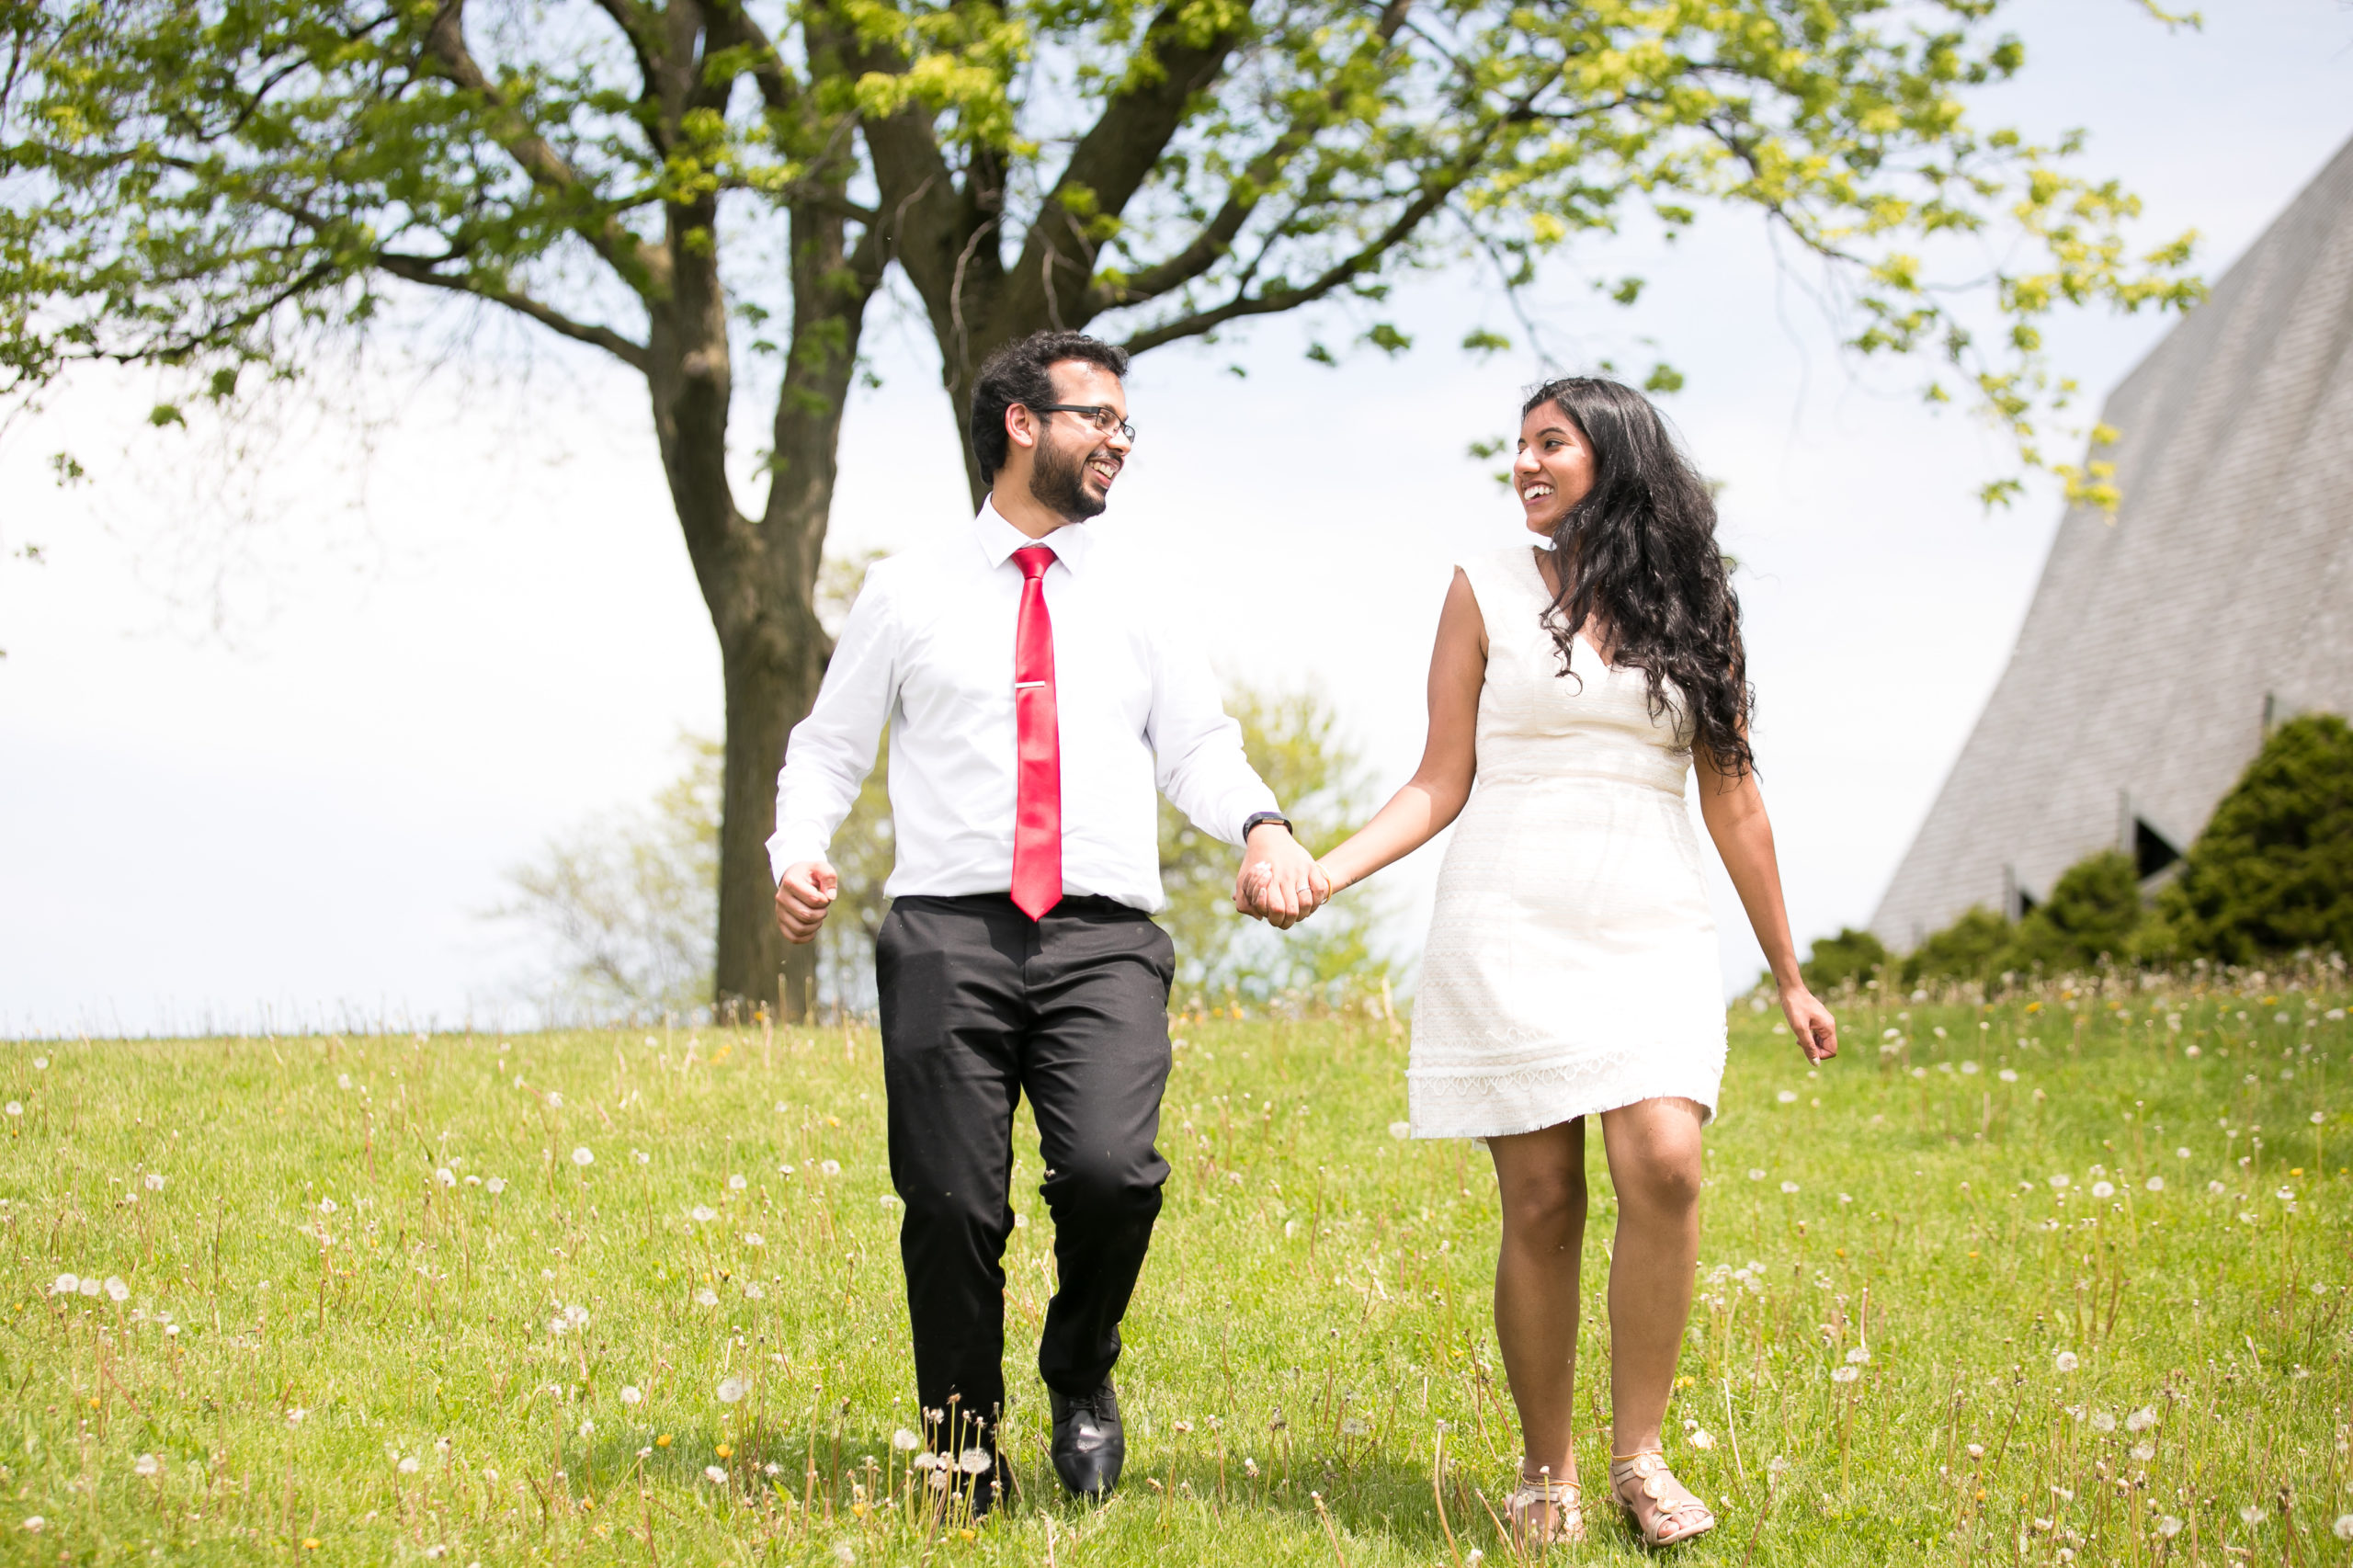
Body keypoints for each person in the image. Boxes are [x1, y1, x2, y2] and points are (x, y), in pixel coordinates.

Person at [767, 329, 1326, 1519]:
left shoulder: (1141, 592)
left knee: (1114, 1175)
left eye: (1128, 423)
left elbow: (1197, 746)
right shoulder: (906, 587)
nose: (1120, 438)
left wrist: (1262, 824)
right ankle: (963, 1440)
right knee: (953, 1204)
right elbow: (825, 746)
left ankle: (1080, 1369)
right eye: (1099, 417)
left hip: (1103, 937)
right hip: (946, 935)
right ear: (1023, 421)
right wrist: (795, 848)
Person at [1309, 377, 1837, 1549]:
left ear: (1616, 455)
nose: (1525, 463)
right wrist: (1326, 871)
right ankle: (1544, 1470)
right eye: (1519, 445)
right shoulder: (1482, 585)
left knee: (1667, 1162)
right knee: (1542, 1200)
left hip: (1648, 916)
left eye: (1551, 442)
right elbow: (1438, 778)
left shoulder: (1697, 604)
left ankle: (1638, 1456)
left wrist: (1789, 972)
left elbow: (1733, 795)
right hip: (1507, 912)